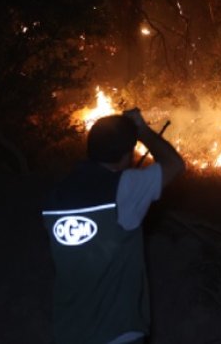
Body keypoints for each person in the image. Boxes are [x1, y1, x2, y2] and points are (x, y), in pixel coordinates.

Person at [42, 109, 185, 344]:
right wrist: (143, 131)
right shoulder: (124, 189)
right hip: (117, 333)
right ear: (126, 155)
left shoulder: (55, 197)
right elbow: (174, 164)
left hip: (69, 333)